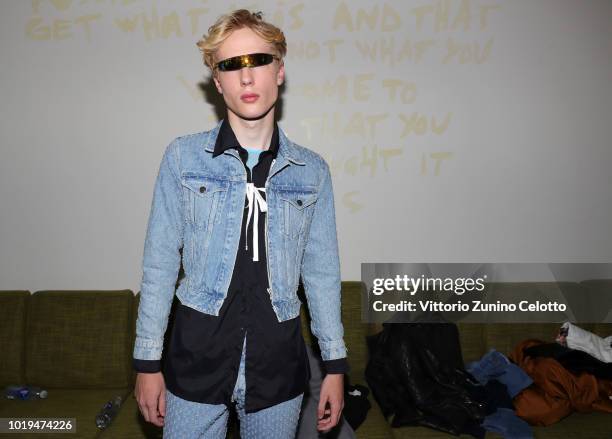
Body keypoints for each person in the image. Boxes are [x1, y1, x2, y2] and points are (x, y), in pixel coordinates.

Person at [132, 9, 349, 439]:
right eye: (231, 65)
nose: (246, 78)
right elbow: (158, 264)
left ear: (280, 71)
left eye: (259, 61)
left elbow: (321, 273)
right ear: (217, 82)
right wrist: (146, 363)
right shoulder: (182, 159)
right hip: (196, 361)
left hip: (278, 367)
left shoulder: (312, 171)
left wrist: (335, 366)